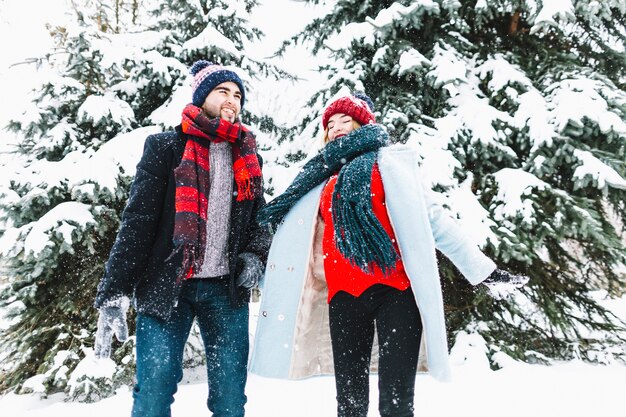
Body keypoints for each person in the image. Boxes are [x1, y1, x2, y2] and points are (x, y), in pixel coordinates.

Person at [249, 92, 528, 417]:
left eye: (345, 120)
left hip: (395, 293)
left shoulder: (390, 165)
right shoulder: (317, 178)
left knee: (396, 401)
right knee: (349, 404)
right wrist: (258, 270)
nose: (337, 128)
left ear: (363, 124)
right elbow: (292, 244)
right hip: (343, 299)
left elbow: (434, 220)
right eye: (331, 124)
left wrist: (483, 270)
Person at [93, 60, 271, 417]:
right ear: (203, 96)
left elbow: (258, 220)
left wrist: (254, 255)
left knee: (230, 400)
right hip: (167, 286)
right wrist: (114, 291)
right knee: (154, 395)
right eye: (223, 91)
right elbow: (138, 221)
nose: (232, 100)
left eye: (237, 95)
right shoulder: (165, 148)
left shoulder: (247, 156)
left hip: (225, 290)